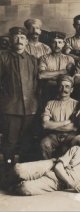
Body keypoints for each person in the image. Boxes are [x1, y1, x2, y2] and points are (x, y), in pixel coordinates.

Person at [12, 127, 80, 196]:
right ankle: (16, 178)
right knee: (17, 169)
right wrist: (73, 184)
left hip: (58, 181)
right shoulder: (76, 149)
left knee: (24, 188)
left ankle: (18, 184)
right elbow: (58, 167)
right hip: (51, 165)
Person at [0, 27, 39, 165]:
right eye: (16, 37)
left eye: (22, 38)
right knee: (10, 142)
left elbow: (35, 83)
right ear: (10, 40)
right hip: (10, 108)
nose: (19, 40)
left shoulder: (33, 60)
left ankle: (22, 173)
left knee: (27, 142)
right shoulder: (3, 57)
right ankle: (8, 173)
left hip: (29, 109)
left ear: (27, 41)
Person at [40, 75, 78, 159]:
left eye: (67, 87)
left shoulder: (76, 104)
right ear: (57, 88)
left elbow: (74, 127)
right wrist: (65, 122)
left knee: (69, 147)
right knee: (44, 143)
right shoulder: (50, 103)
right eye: (61, 86)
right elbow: (45, 125)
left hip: (70, 136)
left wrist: (53, 125)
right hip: (53, 136)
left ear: (71, 90)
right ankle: (49, 166)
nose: (63, 89)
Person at [38, 31, 75, 105]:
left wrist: (50, 75)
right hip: (48, 92)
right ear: (50, 44)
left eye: (59, 42)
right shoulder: (44, 58)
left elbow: (69, 77)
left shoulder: (69, 59)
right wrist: (62, 72)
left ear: (63, 44)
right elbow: (41, 75)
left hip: (64, 93)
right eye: (54, 42)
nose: (57, 45)